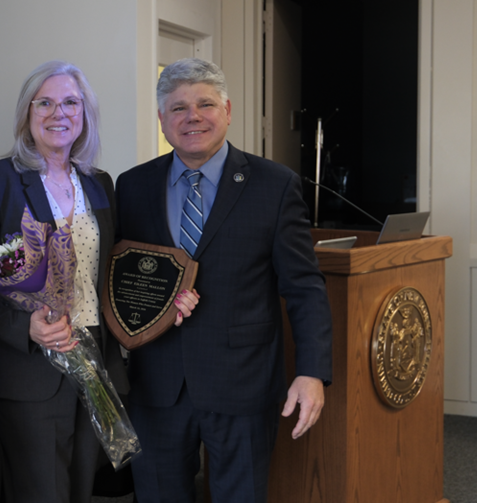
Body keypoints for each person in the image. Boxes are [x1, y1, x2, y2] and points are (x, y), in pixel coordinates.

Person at [116, 58, 333, 503]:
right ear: (162, 119)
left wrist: (312, 371)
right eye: (178, 108)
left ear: (228, 110)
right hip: (155, 383)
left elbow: (304, 286)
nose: (192, 117)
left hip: (242, 382)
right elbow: (121, 275)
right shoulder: (132, 186)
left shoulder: (275, 185)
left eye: (205, 104)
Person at [0, 61, 165, 503]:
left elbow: (112, 271)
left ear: (84, 114)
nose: (59, 113)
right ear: (27, 114)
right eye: (46, 103)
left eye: (71, 102)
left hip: (96, 365)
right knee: (41, 493)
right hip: (28, 370)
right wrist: (26, 328)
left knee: (81, 492)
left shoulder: (99, 184)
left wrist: (164, 301)